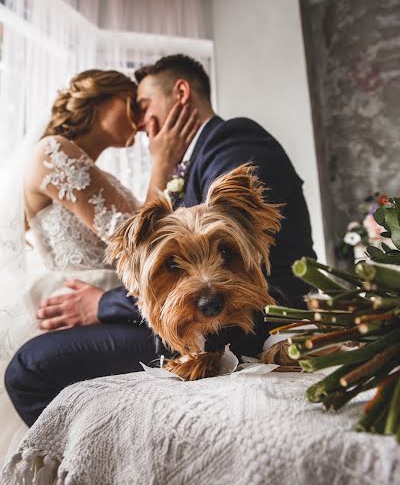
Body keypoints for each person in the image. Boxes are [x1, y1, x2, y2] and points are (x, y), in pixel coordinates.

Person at [5, 55, 316, 428]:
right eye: (132, 107)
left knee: (32, 366)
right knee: (30, 365)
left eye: (143, 105)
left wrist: (102, 304)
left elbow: (231, 242)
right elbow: (147, 249)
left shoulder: (230, 140)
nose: (139, 122)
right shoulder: (61, 157)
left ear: (181, 94)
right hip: (133, 302)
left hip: (263, 312)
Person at [0, 68, 198, 462]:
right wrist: (163, 161)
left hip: (117, 303)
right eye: (134, 104)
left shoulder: (98, 171)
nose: (143, 121)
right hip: (84, 309)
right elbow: (137, 243)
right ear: (101, 98)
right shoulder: (53, 152)